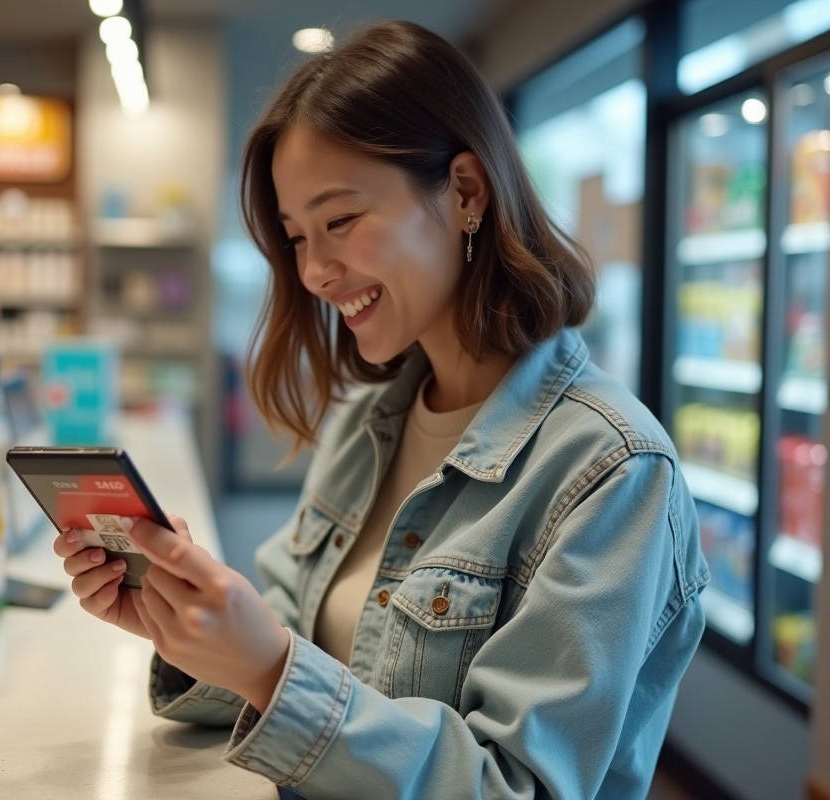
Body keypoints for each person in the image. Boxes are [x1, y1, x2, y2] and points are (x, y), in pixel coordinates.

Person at [54, 20, 708, 800]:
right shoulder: (363, 425)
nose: (314, 272)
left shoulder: (612, 472)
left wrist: (271, 668)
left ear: (465, 192)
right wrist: (187, 628)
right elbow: (291, 649)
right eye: (297, 237)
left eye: (339, 222)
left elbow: (514, 785)